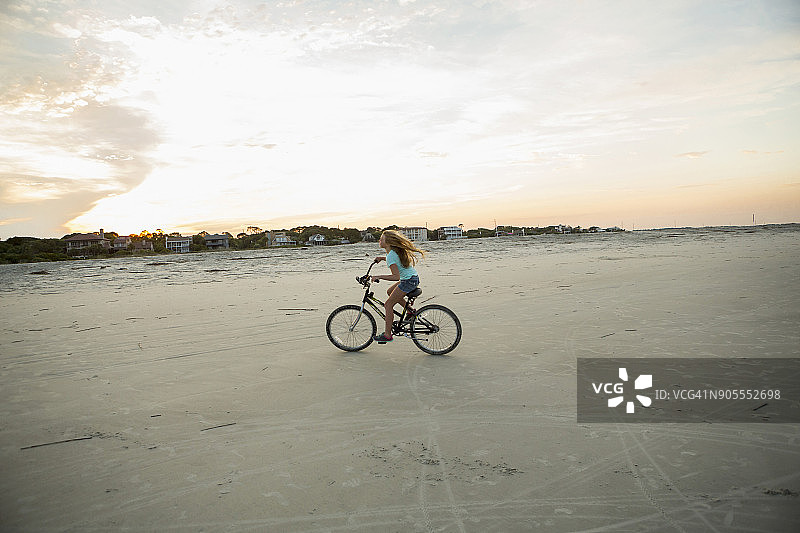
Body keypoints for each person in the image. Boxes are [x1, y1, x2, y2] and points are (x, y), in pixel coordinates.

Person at [370, 230, 425, 343]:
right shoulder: (393, 253)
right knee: (390, 292)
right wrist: (382, 258)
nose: (379, 240)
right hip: (412, 279)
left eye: (382, 238)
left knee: (388, 305)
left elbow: (396, 277)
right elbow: (394, 260)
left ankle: (387, 335)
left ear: (388, 242)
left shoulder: (391, 255)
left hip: (408, 281)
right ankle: (409, 311)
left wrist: (378, 277)